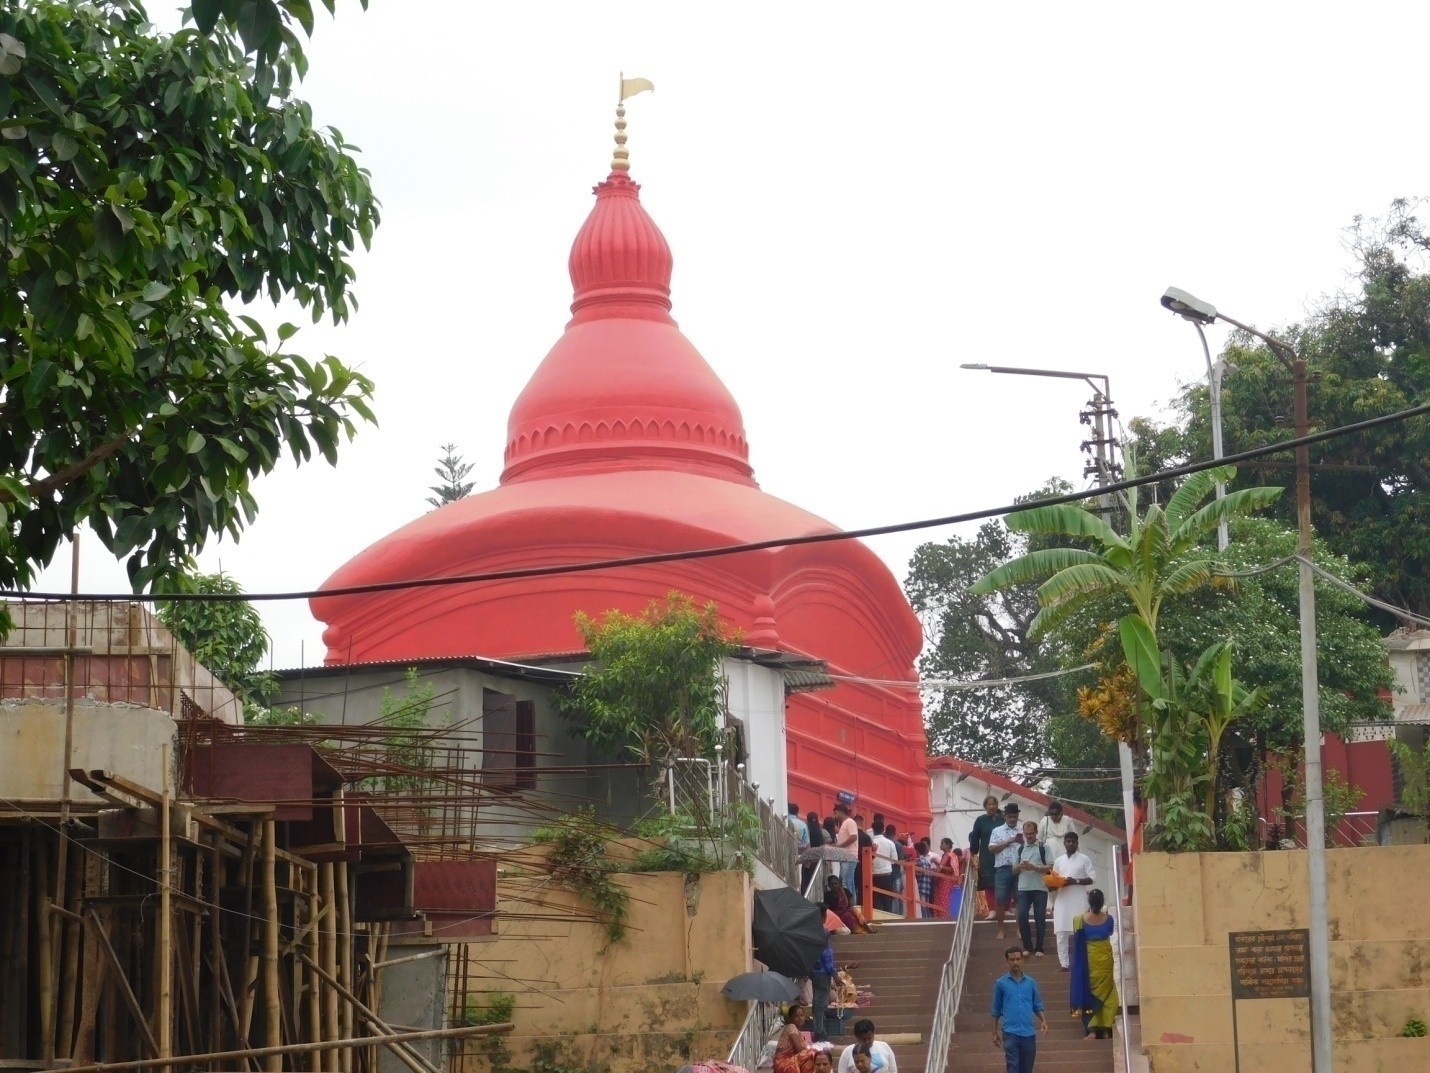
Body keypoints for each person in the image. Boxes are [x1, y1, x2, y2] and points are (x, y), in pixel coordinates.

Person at [1070, 889, 1120, 1039]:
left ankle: (1092, 1030)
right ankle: (1105, 1029)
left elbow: (1077, 936)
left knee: (1089, 991)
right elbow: (1110, 933)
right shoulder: (1109, 919)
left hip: (1088, 960)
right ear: (1103, 902)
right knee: (1107, 993)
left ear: (1089, 902)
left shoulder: (1079, 920)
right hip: (1105, 960)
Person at [991, 947, 1048, 1073]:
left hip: (1028, 1033)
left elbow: (1037, 1004)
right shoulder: (1001, 983)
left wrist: (1043, 1021)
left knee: (1027, 1068)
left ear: (1022, 960)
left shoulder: (1031, 983)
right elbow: (996, 1009)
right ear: (1007, 961)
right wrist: (994, 1032)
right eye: (1012, 959)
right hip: (1010, 1033)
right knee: (1013, 1066)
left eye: (1018, 959)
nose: (1015, 962)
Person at [1052, 832, 1096, 971]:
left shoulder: (1084, 859)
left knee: (1080, 932)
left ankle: (1081, 962)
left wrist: (1074, 881)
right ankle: (1064, 964)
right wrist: (1053, 884)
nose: (1071, 844)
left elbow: (1093, 878)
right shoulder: (1059, 861)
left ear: (1077, 843)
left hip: (1079, 900)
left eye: (1073, 842)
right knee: (1061, 933)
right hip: (1062, 901)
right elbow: (1054, 879)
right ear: (1064, 843)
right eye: (1068, 841)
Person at [1014, 820, 1050, 957]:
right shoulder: (1019, 848)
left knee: (1039, 917)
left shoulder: (1044, 847)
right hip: (1023, 888)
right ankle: (1027, 946)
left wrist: (1035, 867)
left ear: (1036, 833)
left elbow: (1050, 866)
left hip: (1040, 887)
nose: (1028, 836)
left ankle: (1039, 948)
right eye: (1026, 834)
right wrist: (1021, 866)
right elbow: (1013, 869)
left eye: (1031, 833)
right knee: (1022, 915)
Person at [988, 803, 1024, 939]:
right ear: (1005, 816)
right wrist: (1008, 842)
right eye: (1010, 816)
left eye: (1015, 816)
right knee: (1000, 899)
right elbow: (991, 849)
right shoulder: (997, 831)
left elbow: (1031, 848)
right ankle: (1001, 929)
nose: (1013, 819)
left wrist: (1022, 843)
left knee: (1020, 899)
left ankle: (1019, 929)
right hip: (1002, 869)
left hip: (1019, 869)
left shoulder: (1023, 830)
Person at [969, 795, 1001, 919]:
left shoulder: (1002, 820)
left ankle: (1005, 908)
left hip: (1001, 855)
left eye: (994, 804)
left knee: (1004, 881)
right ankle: (992, 909)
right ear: (985, 807)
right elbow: (975, 838)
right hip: (987, 855)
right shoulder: (980, 820)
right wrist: (973, 852)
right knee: (989, 882)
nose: (991, 806)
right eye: (989, 804)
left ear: (997, 806)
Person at [810, 930, 837, 1041]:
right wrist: (836, 976)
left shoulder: (813, 948)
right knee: (820, 1005)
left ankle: (818, 1029)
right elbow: (829, 965)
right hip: (823, 976)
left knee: (816, 1004)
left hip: (815, 976)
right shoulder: (825, 949)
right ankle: (820, 1032)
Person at [774, 1004, 817, 1073]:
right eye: (796, 1016)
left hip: (790, 1059)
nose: (800, 1018)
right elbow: (799, 1049)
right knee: (812, 1053)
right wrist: (810, 1050)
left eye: (802, 1015)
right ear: (791, 1019)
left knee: (811, 1057)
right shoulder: (791, 1027)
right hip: (782, 1062)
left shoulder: (798, 1031)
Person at [870, 821, 897, 913]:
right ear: (883, 830)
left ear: (873, 829)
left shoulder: (870, 842)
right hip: (886, 875)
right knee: (887, 902)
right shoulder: (890, 843)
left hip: (873, 876)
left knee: (875, 904)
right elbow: (894, 860)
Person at [932, 837, 960, 919]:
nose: (940, 845)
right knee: (939, 900)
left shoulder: (952, 855)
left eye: (942, 843)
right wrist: (937, 865)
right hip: (940, 882)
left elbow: (952, 869)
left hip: (946, 882)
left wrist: (941, 867)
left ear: (948, 845)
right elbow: (942, 867)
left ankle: (945, 917)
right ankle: (940, 917)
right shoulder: (944, 855)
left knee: (945, 900)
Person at [833, 805, 859, 889]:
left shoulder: (849, 822)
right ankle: (852, 901)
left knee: (846, 883)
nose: (835, 816)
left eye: (836, 813)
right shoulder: (845, 824)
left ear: (841, 812)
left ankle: (849, 902)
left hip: (849, 856)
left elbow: (854, 837)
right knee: (849, 882)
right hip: (845, 856)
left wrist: (839, 846)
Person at [915, 839, 936, 919]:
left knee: (922, 905)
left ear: (917, 851)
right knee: (926, 905)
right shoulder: (927, 862)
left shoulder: (919, 862)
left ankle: (925, 919)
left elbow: (919, 874)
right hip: (927, 887)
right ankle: (929, 918)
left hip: (921, 886)